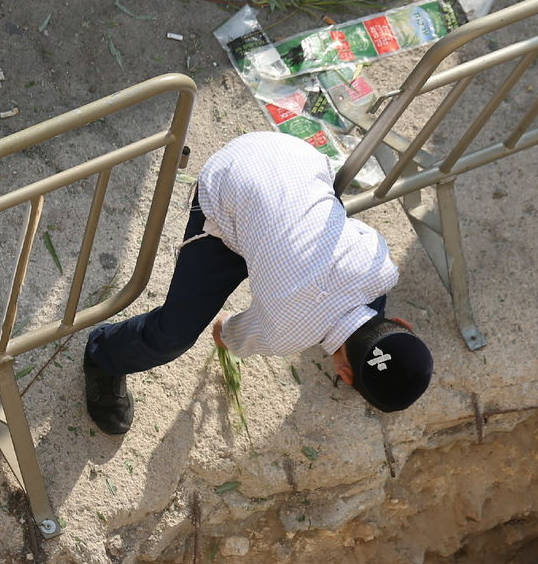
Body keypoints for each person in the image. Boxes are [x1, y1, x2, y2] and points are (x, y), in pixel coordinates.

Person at [83, 131, 433, 435]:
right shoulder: (286, 335)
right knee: (172, 335)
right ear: (344, 373)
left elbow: (351, 235)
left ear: (404, 324)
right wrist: (251, 320)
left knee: (335, 259)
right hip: (225, 197)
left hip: (289, 153)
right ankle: (103, 354)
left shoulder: (383, 269)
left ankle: (363, 338)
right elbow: (225, 332)